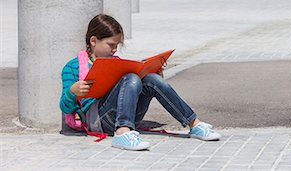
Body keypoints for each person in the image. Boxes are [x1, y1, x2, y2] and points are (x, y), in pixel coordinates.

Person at [59, 14, 221, 151]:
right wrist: (72, 92)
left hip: (128, 115)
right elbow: (64, 107)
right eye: (111, 45)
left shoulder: (116, 62)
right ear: (93, 41)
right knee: (131, 78)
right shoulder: (72, 67)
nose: (115, 49)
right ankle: (122, 133)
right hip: (99, 120)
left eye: (117, 45)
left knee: (151, 79)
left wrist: (153, 74)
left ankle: (194, 124)